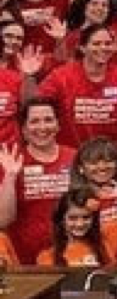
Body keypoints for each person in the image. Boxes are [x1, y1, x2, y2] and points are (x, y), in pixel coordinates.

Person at [35, 24, 117, 148]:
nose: (103, 48)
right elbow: (36, 104)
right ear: (82, 48)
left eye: (108, 44)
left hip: (109, 157)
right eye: (96, 44)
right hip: (69, 154)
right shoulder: (61, 76)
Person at [0, 99, 78, 262]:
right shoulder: (10, 161)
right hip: (24, 262)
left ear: (58, 125)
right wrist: (10, 176)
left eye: (48, 120)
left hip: (72, 256)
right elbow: (3, 219)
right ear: (24, 129)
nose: (42, 127)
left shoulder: (75, 158)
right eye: (34, 121)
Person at [36, 186, 114, 267]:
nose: (80, 224)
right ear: (61, 219)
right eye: (73, 218)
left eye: (86, 217)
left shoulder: (105, 249)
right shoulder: (47, 257)